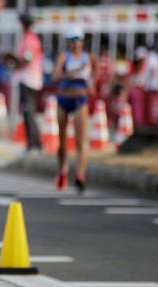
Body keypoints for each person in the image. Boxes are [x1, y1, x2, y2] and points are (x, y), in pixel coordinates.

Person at [52, 25, 96, 193]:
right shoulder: (64, 57)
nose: (74, 44)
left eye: (76, 40)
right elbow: (55, 76)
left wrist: (91, 84)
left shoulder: (89, 57)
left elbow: (95, 73)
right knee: (62, 141)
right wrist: (70, 73)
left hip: (80, 99)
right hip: (64, 98)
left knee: (80, 140)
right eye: (71, 41)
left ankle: (80, 176)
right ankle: (62, 170)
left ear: (82, 41)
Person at [4, 13, 43, 152]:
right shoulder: (28, 38)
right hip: (26, 79)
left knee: (29, 112)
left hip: (29, 80)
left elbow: (27, 59)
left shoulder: (31, 39)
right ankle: (32, 143)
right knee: (27, 112)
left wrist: (14, 63)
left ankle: (34, 144)